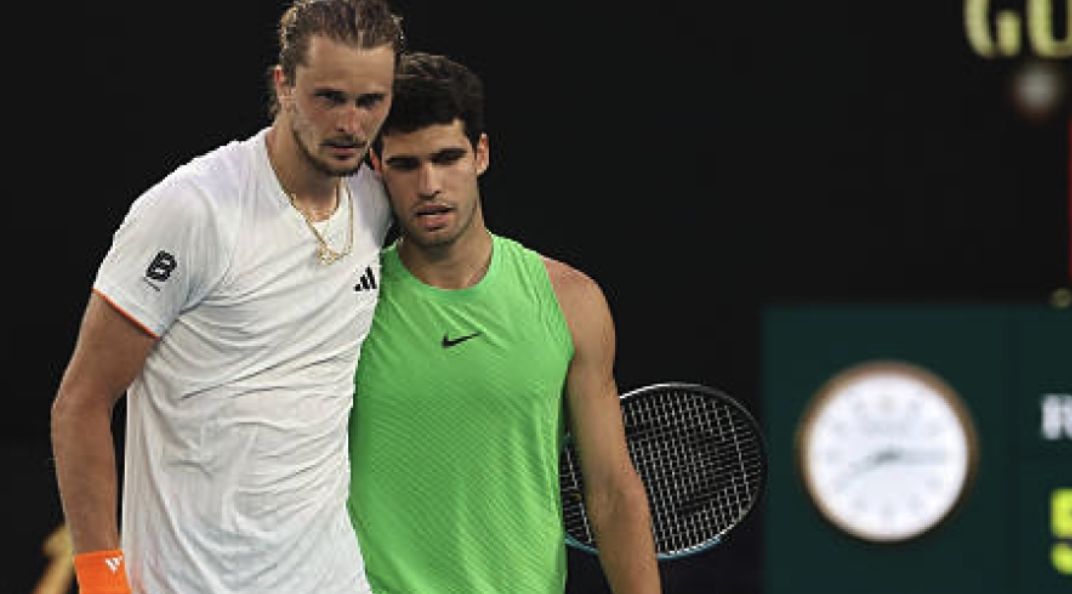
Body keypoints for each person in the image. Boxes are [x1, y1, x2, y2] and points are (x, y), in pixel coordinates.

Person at [49, 2, 405, 593]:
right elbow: (80, 404)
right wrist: (102, 581)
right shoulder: (192, 210)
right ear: (283, 85)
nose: (350, 123)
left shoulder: (376, 198)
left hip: (329, 577)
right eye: (329, 97)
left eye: (371, 101)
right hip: (190, 580)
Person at [347, 51, 662, 594]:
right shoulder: (340, 308)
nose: (429, 185)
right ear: (377, 167)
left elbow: (611, 492)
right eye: (405, 164)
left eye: (447, 158)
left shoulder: (571, 301)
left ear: (482, 154)